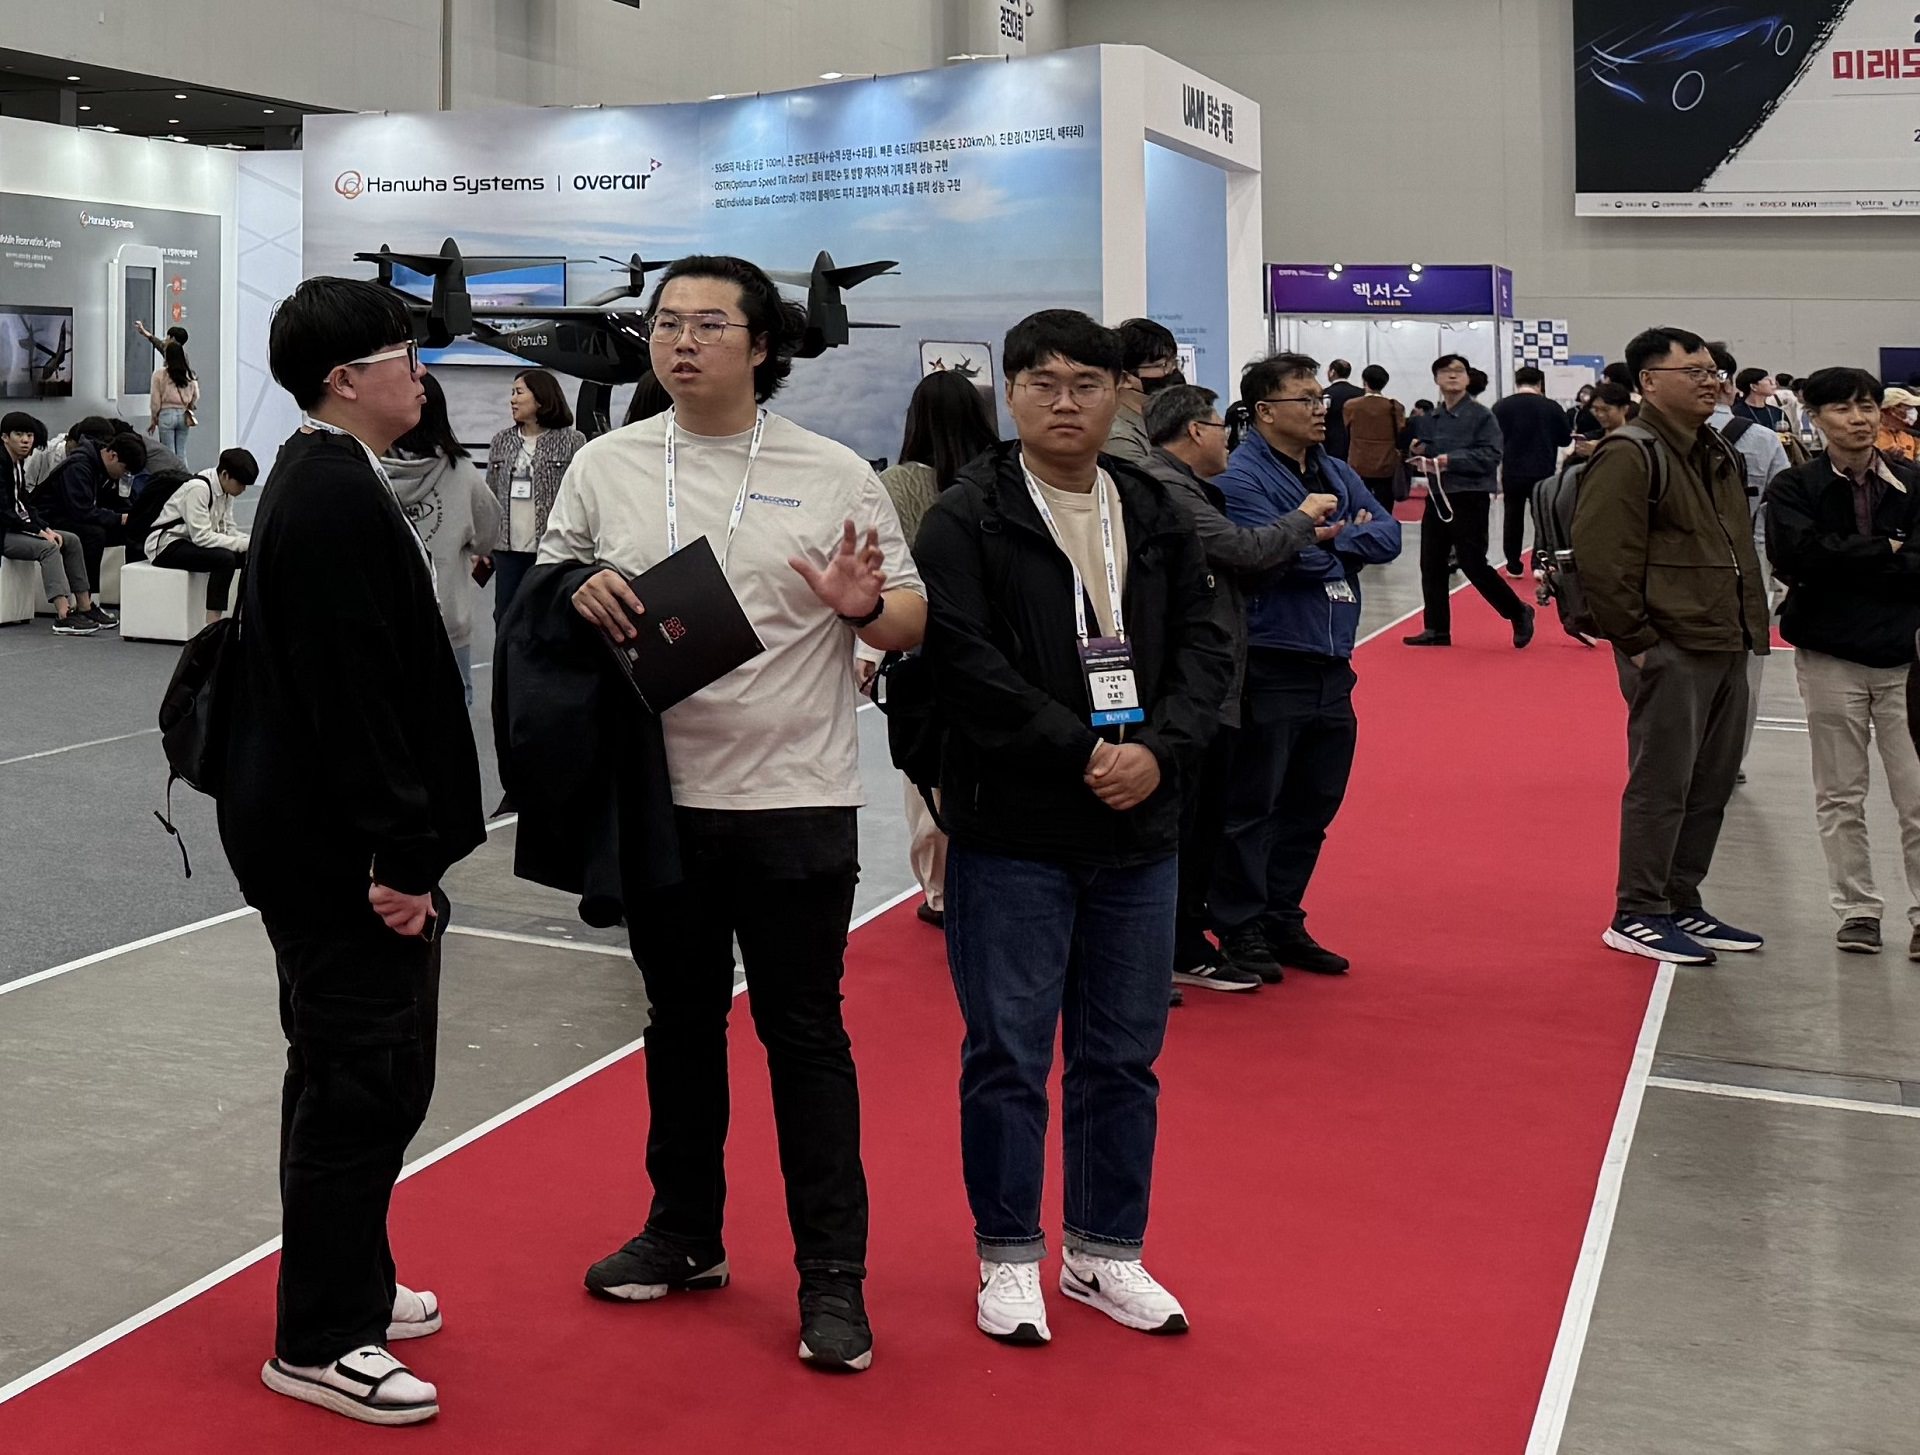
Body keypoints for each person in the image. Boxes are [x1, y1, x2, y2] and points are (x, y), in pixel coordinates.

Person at [546, 255, 927, 1374]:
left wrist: (866, 609)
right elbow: (550, 583)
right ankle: (685, 1233)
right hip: (659, 801)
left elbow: (909, 617)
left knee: (804, 1035)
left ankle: (832, 1276)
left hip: (795, 798)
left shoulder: (831, 469)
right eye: (668, 322)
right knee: (679, 1025)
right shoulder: (608, 463)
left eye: (710, 324)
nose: (683, 341)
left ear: (763, 346)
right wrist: (573, 589)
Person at [914, 309, 1231, 1347]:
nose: (1064, 402)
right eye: (1041, 383)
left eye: (1085, 384)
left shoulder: (1152, 504)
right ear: (1009, 393)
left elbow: (1205, 645)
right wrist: (1081, 749)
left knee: (1122, 1054)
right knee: (1008, 1053)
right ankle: (1007, 1254)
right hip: (1016, 825)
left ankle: (1103, 1249)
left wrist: (1160, 750)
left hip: (1141, 824)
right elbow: (964, 662)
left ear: (1118, 395)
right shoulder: (968, 516)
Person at [223, 278, 483, 1425]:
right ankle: (323, 1337)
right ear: (345, 380)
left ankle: (353, 1282)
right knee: (360, 1083)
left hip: (328, 841)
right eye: (403, 355)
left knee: (362, 1074)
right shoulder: (330, 494)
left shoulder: (330, 475)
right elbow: (354, 697)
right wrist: (401, 858)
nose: (420, 373)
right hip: (341, 855)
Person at [1571, 325, 1769, 965]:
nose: (1711, 381)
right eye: (1695, 372)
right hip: (1671, 645)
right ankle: (1638, 910)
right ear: (1649, 382)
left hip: (1725, 638)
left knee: (1710, 784)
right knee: (1663, 783)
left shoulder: (1714, 448)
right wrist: (1638, 641)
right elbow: (1604, 557)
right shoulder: (1631, 452)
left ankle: (1680, 899)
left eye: (1714, 371)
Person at [1210, 353, 1403, 982]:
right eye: (1307, 399)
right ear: (1265, 411)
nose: (1322, 409)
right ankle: (1239, 925)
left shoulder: (1334, 470)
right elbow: (1271, 556)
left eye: (1320, 398)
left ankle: (1281, 916)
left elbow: (1389, 536)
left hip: (1332, 660)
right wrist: (1335, 544)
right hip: (1272, 658)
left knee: (1313, 802)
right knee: (1253, 804)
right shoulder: (1241, 478)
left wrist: (1331, 539)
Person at [1143, 382, 1337, 994]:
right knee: (1193, 820)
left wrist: (1295, 542)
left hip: (1219, 676)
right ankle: (1174, 943)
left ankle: (1204, 933)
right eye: (1220, 425)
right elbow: (1239, 548)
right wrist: (1303, 521)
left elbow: (1377, 534)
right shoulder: (1167, 486)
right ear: (1196, 430)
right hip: (1191, 683)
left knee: (1221, 813)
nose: (1228, 437)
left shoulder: (1193, 485)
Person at [1765, 368, 1920, 957]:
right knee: (1839, 793)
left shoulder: (1914, 482)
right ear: (1815, 417)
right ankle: (1857, 909)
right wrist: (1888, 550)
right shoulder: (1794, 487)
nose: (1858, 418)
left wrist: (1846, 560)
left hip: (1906, 658)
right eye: (1842, 408)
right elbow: (1795, 557)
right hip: (1829, 655)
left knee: (1917, 795)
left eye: (1867, 406)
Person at [875, 368, 999, 927]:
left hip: (924, 650)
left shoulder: (898, 483)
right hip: (993, 645)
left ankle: (943, 892)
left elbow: (891, 572)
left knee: (925, 774)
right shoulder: (998, 478)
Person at [384, 372, 503, 706]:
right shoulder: (460, 472)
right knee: (452, 713)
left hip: (388, 618)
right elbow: (487, 536)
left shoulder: (368, 469)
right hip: (448, 619)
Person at [1403, 353, 1535, 649]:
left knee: (1472, 562)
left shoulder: (1481, 416)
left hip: (1470, 496)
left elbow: (1491, 455)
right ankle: (1437, 628)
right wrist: (1419, 452)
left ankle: (1517, 611)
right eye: (1445, 371)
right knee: (1431, 563)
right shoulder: (1431, 419)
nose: (1452, 375)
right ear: (1436, 379)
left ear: (1467, 378)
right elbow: (1426, 450)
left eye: (1459, 371)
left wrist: (1449, 461)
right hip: (1437, 496)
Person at [1704, 342, 1791, 778]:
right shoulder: (1763, 439)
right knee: (1745, 669)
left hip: (1677, 568)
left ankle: (1686, 754)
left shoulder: (1655, 439)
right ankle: (1731, 760)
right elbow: (1778, 512)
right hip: (1748, 565)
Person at [485, 367, 585, 629]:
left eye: (519, 392)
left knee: (547, 619)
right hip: (507, 550)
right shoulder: (501, 440)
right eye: (512, 393)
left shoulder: (572, 441)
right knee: (505, 617)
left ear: (540, 398)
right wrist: (484, 543)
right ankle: (505, 657)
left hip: (551, 549)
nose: (512, 400)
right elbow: (490, 493)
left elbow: (580, 496)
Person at [3, 411, 104, 635]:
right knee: (48, 548)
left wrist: (45, 527)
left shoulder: (16, 464)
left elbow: (26, 505)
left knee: (72, 540)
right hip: (5, 532)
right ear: (5, 437)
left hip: (16, 528)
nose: (25, 440)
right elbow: (5, 513)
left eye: (29, 435)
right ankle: (63, 615)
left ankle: (85, 606)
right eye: (18, 434)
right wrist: (38, 532)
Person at [33, 428, 144, 625]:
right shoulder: (79, 466)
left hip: (72, 515)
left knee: (132, 530)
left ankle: (137, 595)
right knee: (94, 534)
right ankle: (89, 600)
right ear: (112, 456)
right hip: (50, 518)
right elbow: (81, 511)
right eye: (125, 470)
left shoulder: (100, 467)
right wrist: (118, 518)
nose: (123, 475)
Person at [143, 447, 258, 625]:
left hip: (189, 542)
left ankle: (245, 615)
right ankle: (212, 624)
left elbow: (227, 529)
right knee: (224, 559)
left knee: (248, 556)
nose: (243, 489)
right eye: (241, 483)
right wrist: (244, 543)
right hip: (166, 544)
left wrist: (250, 542)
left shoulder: (226, 491)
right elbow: (202, 537)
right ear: (225, 475)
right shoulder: (198, 489)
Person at [1492, 365, 1574, 576]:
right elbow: (1565, 439)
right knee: (1542, 519)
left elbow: (1493, 439)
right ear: (1540, 384)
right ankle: (1539, 563)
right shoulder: (1552, 407)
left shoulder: (1501, 407)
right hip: (1543, 470)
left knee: (1512, 517)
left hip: (1512, 470)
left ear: (1517, 382)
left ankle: (1513, 564)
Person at [1104, 317, 1180, 467]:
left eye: (1174, 362)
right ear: (1125, 378)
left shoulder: (1162, 422)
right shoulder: (1119, 438)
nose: (1172, 371)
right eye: (1162, 365)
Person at [1343, 364, 1406, 508]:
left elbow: (1346, 431)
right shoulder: (1395, 406)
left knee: (1358, 506)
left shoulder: (1351, 405)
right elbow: (1401, 431)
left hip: (1358, 462)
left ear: (1364, 381)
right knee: (1385, 506)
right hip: (1386, 463)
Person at [150, 339, 201, 466]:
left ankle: (172, 476)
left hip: (166, 415)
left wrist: (154, 418)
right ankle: (184, 476)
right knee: (181, 453)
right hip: (184, 415)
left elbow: (155, 401)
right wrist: (190, 405)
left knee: (169, 453)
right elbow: (196, 395)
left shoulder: (160, 374)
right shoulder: (189, 375)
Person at [1321, 359, 1365, 462]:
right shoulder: (1361, 393)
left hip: (1331, 442)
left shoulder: (1326, 393)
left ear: (1332, 372)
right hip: (1356, 442)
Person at [1876, 386, 1920, 463]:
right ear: (1893, 409)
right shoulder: (1872, 436)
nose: (1914, 411)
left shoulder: (1909, 435)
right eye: (1909, 407)